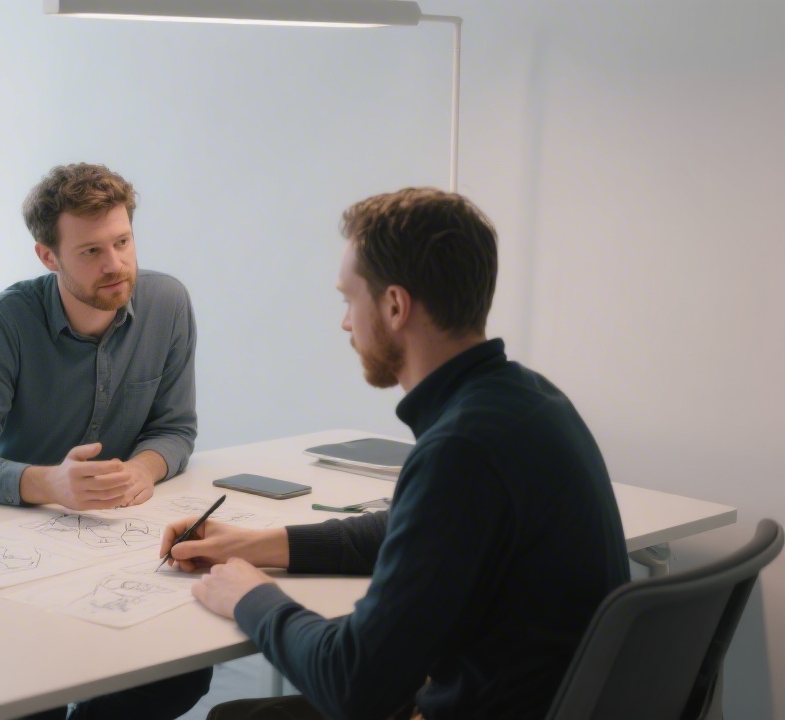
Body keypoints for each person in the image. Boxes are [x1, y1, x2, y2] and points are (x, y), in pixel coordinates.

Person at [160, 188, 630, 720]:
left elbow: (354, 684)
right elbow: (413, 531)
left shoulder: (460, 450)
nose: (344, 324)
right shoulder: (527, 400)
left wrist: (253, 598)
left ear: (394, 305)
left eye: (347, 299)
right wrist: (258, 543)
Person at [0, 162, 210, 718]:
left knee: (181, 671)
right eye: (90, 252)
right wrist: (50, 483)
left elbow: (176, 428)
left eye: (123, 242)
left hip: (115, 540)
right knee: (33, 696)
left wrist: (143, 469)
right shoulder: (3, 322)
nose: (116, 265)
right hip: (14, 544)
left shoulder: (167, 303)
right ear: (47, 256)